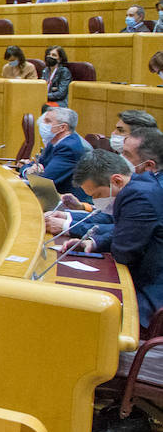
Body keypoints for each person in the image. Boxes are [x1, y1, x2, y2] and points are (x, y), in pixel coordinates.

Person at [66, 134, 163, 328]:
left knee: (79, 314)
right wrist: (93, 242)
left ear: (117, 181)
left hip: (149, 291)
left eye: (98, 195)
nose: (96, 202)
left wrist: (107, 240)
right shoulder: (139, 185)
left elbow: (124, 252)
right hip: (142, 278)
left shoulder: (138, 196)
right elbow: (125, 233)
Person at [20, 106, 88, 197]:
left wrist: (25, 169)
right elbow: (37, 166)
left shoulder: (69, 148)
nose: (42, 124)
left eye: (47, 121)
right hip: (53, 196)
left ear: (62, 127)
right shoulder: (54, 142)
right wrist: (29, 169)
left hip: (70, 203)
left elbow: (44, 181)